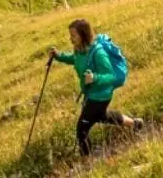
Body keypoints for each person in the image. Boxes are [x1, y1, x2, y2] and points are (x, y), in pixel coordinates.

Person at [50, 18, 142, 155]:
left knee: (81, 129)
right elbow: (74, 59)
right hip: (92, 94)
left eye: (73, 35)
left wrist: (95, 78)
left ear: (83, 35)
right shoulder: (80, 50)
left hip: (100, 96)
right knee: (103, 116)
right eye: (70, 35)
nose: (71, 39)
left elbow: (110, 76)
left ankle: (87, 163)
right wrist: (59, 56)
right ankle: (135, 123)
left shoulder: (98, 53)